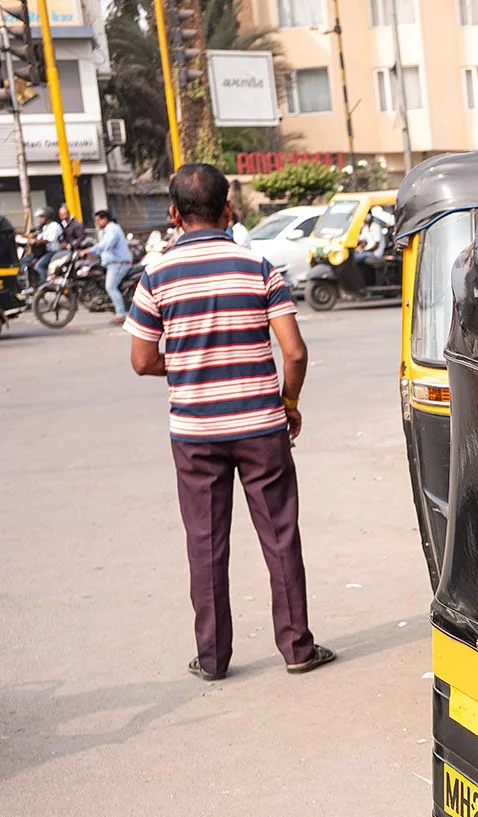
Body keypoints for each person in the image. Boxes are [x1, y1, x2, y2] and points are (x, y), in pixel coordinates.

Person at [127, 162, 334, 681]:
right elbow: (295, 351)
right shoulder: (259, 268)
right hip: (261, 426)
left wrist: (194, 364)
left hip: (195, 433)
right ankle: (297, 649)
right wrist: (289, 402)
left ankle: (214, 658)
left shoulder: (156, 276)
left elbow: (142, 360)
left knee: (205, 540)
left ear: (173, 215)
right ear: (228, 211)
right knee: (280, 535)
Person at [90, 208, 131, 322]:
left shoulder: (112, 229)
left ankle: (121, 314)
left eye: (98, 220)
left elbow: (106, 244)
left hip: (118, 263)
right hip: (112, 263)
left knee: (111, 287)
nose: (97, 223)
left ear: (105, 219)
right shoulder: (108, 230)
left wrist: (90, 250)